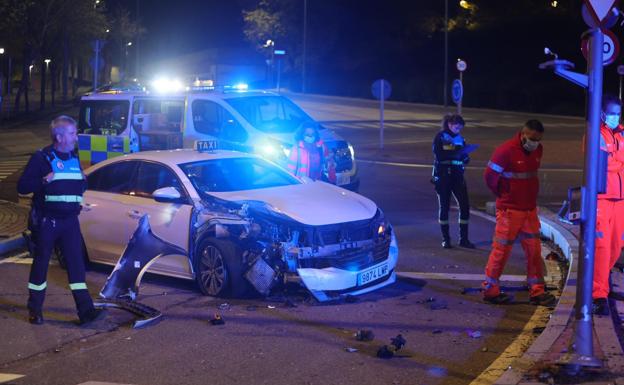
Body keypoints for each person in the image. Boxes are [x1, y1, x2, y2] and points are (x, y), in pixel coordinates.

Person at [17, 115, 105, 325]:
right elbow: (22, 187)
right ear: (59, 136)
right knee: (40, 266)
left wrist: (81, 185)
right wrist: (42, 180)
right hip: (47, 222)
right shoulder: (42, 158)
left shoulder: (74, 158)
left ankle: (86, 313)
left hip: (70, 222)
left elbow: (74, 187)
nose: (76, 137)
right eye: (73, 133)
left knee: (76, 266)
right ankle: (35, 310)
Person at [481, 119, 555, 306]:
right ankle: (490, 290)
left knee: (534, 251)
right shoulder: (505, 151)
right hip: (510, 211)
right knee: (501, 252)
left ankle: (537, 291)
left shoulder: (538, 149)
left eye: (538, 139)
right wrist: (504, 196)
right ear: (522, 135)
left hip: (529, 211)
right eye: (532, 139)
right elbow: (490, 177)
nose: (535, 143)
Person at [592, 95, 624, 315]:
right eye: (611, 113)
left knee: (615, 246)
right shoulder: (596, 133)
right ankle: (597, 294)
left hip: (620, 200)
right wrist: (620, 158)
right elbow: (605, 165)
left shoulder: (621, 133)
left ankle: (603, 285)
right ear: (603, 113)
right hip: (602, 199)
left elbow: (614, 161)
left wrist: (617, 157)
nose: (615, 117)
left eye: (618, 113)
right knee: (601, 247)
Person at [431, 114, 475, 249]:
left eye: (461, 127)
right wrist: (456, 153)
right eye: (457, 126)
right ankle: (446, 239)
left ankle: (464, 239)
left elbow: (465, 157)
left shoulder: (461, 139)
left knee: (465, 206)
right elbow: (438, 155)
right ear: (449, 124)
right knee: (444, 207)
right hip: (443, 175)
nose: (459, 129)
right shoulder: (440, 137)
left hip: (457, 176)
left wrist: (465, 157)